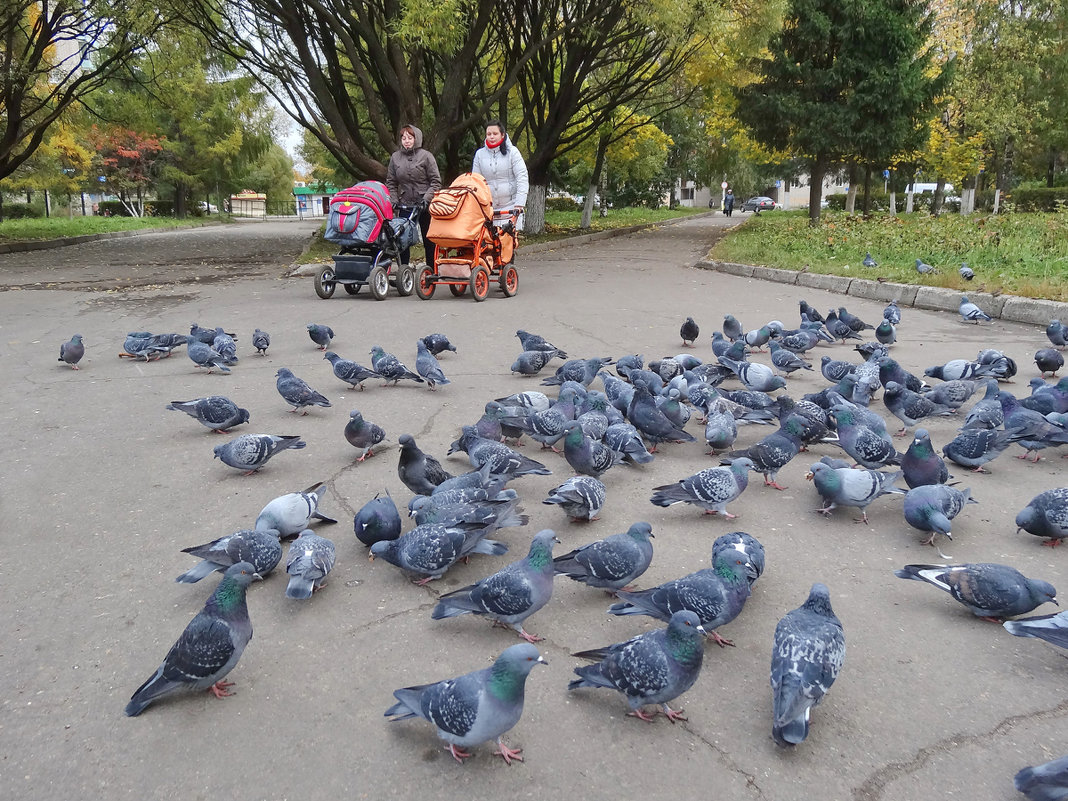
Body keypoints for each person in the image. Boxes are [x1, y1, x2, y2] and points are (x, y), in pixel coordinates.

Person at [385, 124, 441, 270]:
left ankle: (432, 269)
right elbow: (391, 182)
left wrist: (427, 198)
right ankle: (403, 270)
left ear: (416, 139)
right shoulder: (395, 157)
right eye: (404, 138)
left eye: (410, 138)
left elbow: (436, 182)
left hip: (425, 204)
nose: (407, 141)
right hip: (405, 203)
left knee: (429, 239)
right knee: (402, 238)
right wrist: (394, 200)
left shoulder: (426, 156)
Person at [471, 119, 529, 229]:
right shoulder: (479, 154)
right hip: (489, 210)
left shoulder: (513, 152)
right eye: (489, 134)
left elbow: (522, 177)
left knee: (507, 244)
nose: (492, 137)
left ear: (502, 135)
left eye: (495, 133)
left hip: (511, 208)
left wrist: (519, 204)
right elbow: (476, 181)